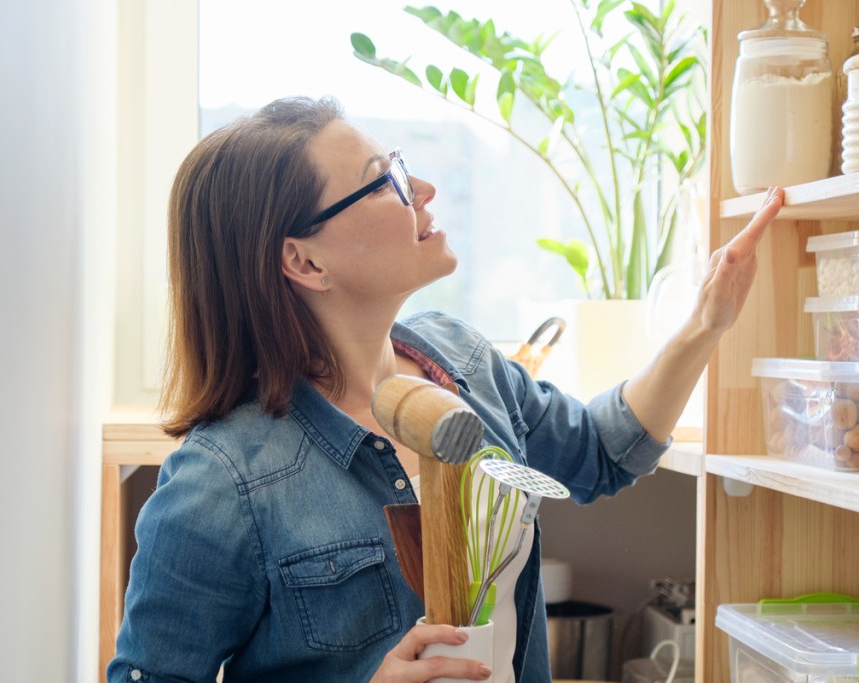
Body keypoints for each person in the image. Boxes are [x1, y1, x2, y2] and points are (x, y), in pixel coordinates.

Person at [107, 96, 784, 683]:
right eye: (384, 183)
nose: (423, 188)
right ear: (304, 260)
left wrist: (705, 322)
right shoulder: (221, 481)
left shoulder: (462, 361)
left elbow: (603, 452)